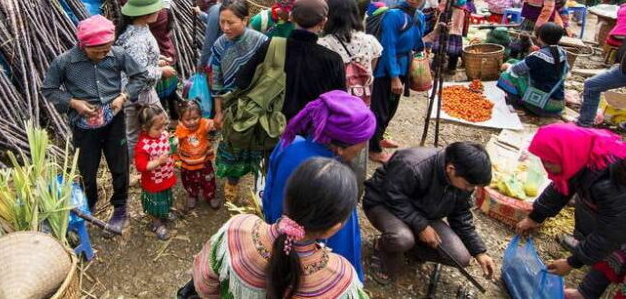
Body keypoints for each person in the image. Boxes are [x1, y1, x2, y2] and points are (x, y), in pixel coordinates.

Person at [192, 158, 369, 299]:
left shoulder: (236, 231)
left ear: (287, 197)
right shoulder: (340, 279)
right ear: (334, 228)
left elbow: (205, 284)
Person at [42, 15, 150, 233]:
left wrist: (123, 96)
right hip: (83, 126)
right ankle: (87, 204)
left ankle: (120, 208)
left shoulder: (117, 54)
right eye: (98, 50)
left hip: (114, 120)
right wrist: (73, 103)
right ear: (83, 45)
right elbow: (49, 90)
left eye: (106, 48)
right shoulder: (65, 62)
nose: (103, 54)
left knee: (119, 167)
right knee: (87, 170)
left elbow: (140, 76)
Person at [263, 92, 377, 279]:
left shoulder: (288, 144)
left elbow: (268, 196)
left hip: (275, 237)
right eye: (359, 148)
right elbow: (343, 245)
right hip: (310, 265)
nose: (361, 150)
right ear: (340, 148)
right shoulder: (335, 180)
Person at [515, 124, 626, 299]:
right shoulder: (580, 155)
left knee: (614, 254)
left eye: (550, 161)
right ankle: (586, 287)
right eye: (543, 160)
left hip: (620, 223)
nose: (546, 167)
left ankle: (585, 293)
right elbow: (560, 188)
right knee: (597, 233)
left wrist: (572, 262)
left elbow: (610, 235)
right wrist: (535, 217)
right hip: (616, 219)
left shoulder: (608, 183)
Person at [363, 142, 496, 285]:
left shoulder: (463, 181)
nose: (470, 189)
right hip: (383, 204)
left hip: (422, 213)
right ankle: (383, 247)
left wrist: (479, 252)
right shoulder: (413, 164)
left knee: (460, 257)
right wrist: (421, 226)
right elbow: (392, 196)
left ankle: (409, 247)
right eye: (469, 185)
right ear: (451, 169)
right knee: (402, 238)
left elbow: (461, 216)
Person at [236, 0, 346, 120]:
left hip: (271, 130)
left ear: (291, 17)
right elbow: (340, 104)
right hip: (311, 131)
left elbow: (242, 81)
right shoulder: (333, 60)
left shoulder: (272, 46)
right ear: (323, 23)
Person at [210, 0, 269, 200]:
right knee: (233, 143)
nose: (225, 28)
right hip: (231, 105)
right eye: (222, 22)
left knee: (258, 144)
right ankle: (233, 180)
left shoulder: (261, 42)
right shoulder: (219, 46)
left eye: (231, 22)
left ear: (245, 20)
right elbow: (217, 81)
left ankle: (260, 184)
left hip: (257, 103)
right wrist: (218, 111)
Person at [368, 0, 427, 163]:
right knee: (380, 107)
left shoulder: (420, 17)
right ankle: (373, 148)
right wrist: (394, 77)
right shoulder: (394, 15)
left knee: (392, 107)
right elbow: (389, 46)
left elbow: (418, 43)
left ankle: (381, 136)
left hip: (403, 65)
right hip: (386, 67)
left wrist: (438, 32)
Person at [115, 0, 175, 158]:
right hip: (137, 94)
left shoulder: (140, 28)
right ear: (145, 14)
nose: (159, 11)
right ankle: (136, 167)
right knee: (133, 131)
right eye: (156, 9)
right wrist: (161, 71)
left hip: (145, 90)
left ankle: (156, 152)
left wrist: (157, 59)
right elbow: (138, 73)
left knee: (160, 120)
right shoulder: (137, 40)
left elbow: (138, 62)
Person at [132, 0, 180, 119]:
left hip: (162, 55)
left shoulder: (159, 12)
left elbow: (140, 18)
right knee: (168, 92)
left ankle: (168, 119)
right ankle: (171, 118)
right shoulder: (162, 7)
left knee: (164, 93)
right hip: (165, 54)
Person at [319, 0, 382, 103]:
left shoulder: (323, 44)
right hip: (361, 104)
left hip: (335, 104)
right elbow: (371, 69)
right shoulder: (371, 42)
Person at [498, 23, 568, 116]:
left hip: (542, 106)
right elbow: (564, 71)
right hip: (558, 104)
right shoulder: (562, 52)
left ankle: (517, 106)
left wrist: (506, 66)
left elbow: (515, 69)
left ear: (540, 37)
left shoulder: (538, 56)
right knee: (514, 61)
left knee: (505, 76)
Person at [134, 104, 176, 240]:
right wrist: (158, 161)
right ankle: (156, 223)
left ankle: (164, 212)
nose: (162, 130)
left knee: (165, 197)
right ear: (145, 128)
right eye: (157, 128)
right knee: (154, 203)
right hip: (153, 182)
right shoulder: (143, 145)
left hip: (165, 176)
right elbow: (141, 166)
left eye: (163, 125)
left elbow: (168, 147)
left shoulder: (163, 134)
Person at [174, 100, 220, 210]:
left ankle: (210, 196)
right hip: (188, 163)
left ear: (200, 116)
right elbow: (177, 144)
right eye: (187, 119)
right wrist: (175, 158)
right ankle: (192, 195)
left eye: (195, 118)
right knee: (189, 181)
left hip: (204, 161)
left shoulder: (204, 124)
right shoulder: (180, 129)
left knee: (208, 179)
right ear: (181, 119)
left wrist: (219, 120)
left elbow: (215, 124)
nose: (192, 122)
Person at [198, 0, 240, 70]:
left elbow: (209, 41)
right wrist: (200, 13)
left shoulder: (217, 10)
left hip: (220, 61)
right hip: (238, 59)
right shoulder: (242, 8)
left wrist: (202, 63)